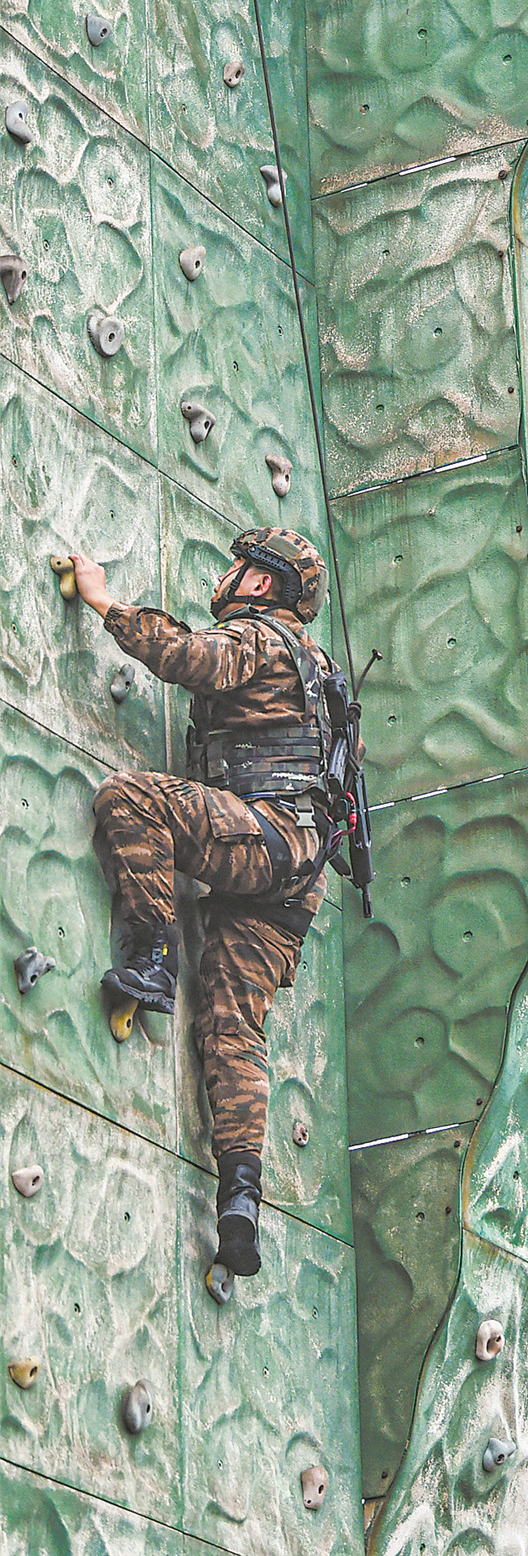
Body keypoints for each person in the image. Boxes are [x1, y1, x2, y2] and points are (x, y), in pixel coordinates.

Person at [71, 528, 344, 1279]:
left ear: (262, 583)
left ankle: (152, 955)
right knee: (231, 1020)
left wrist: (105, 603)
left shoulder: (261, 635)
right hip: (297, 873)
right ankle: (240, 1199)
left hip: (266, 838)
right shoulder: (315, 668)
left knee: (131, 799)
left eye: (242, 566)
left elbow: (195, 660)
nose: (229, 577)